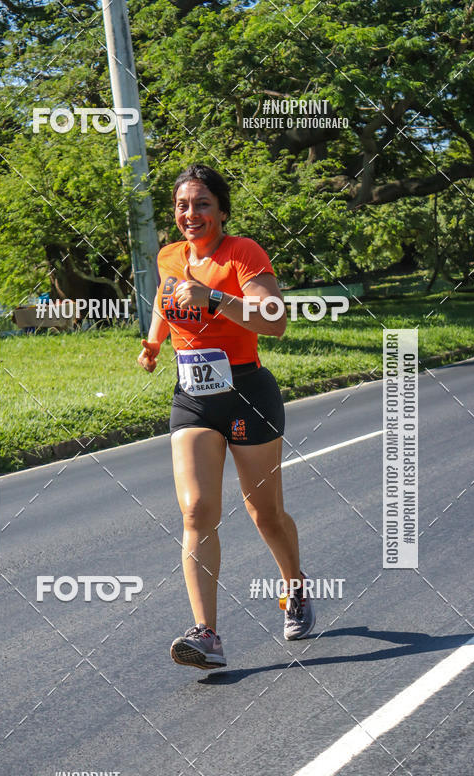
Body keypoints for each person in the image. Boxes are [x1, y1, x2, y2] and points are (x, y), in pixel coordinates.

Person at [137, 164, 315, 669]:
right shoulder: (171, 255)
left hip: (247, 393)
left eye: (202, 204)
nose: (190, 214)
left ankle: (295, 588)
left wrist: (215, 297)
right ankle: (206, 634)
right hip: (192, 396)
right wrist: (153, 342)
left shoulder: (243, 253)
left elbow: (275, 321)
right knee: (196, 512)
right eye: (182, 205)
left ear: (221, 210)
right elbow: (164, 297)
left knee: (265, 513)